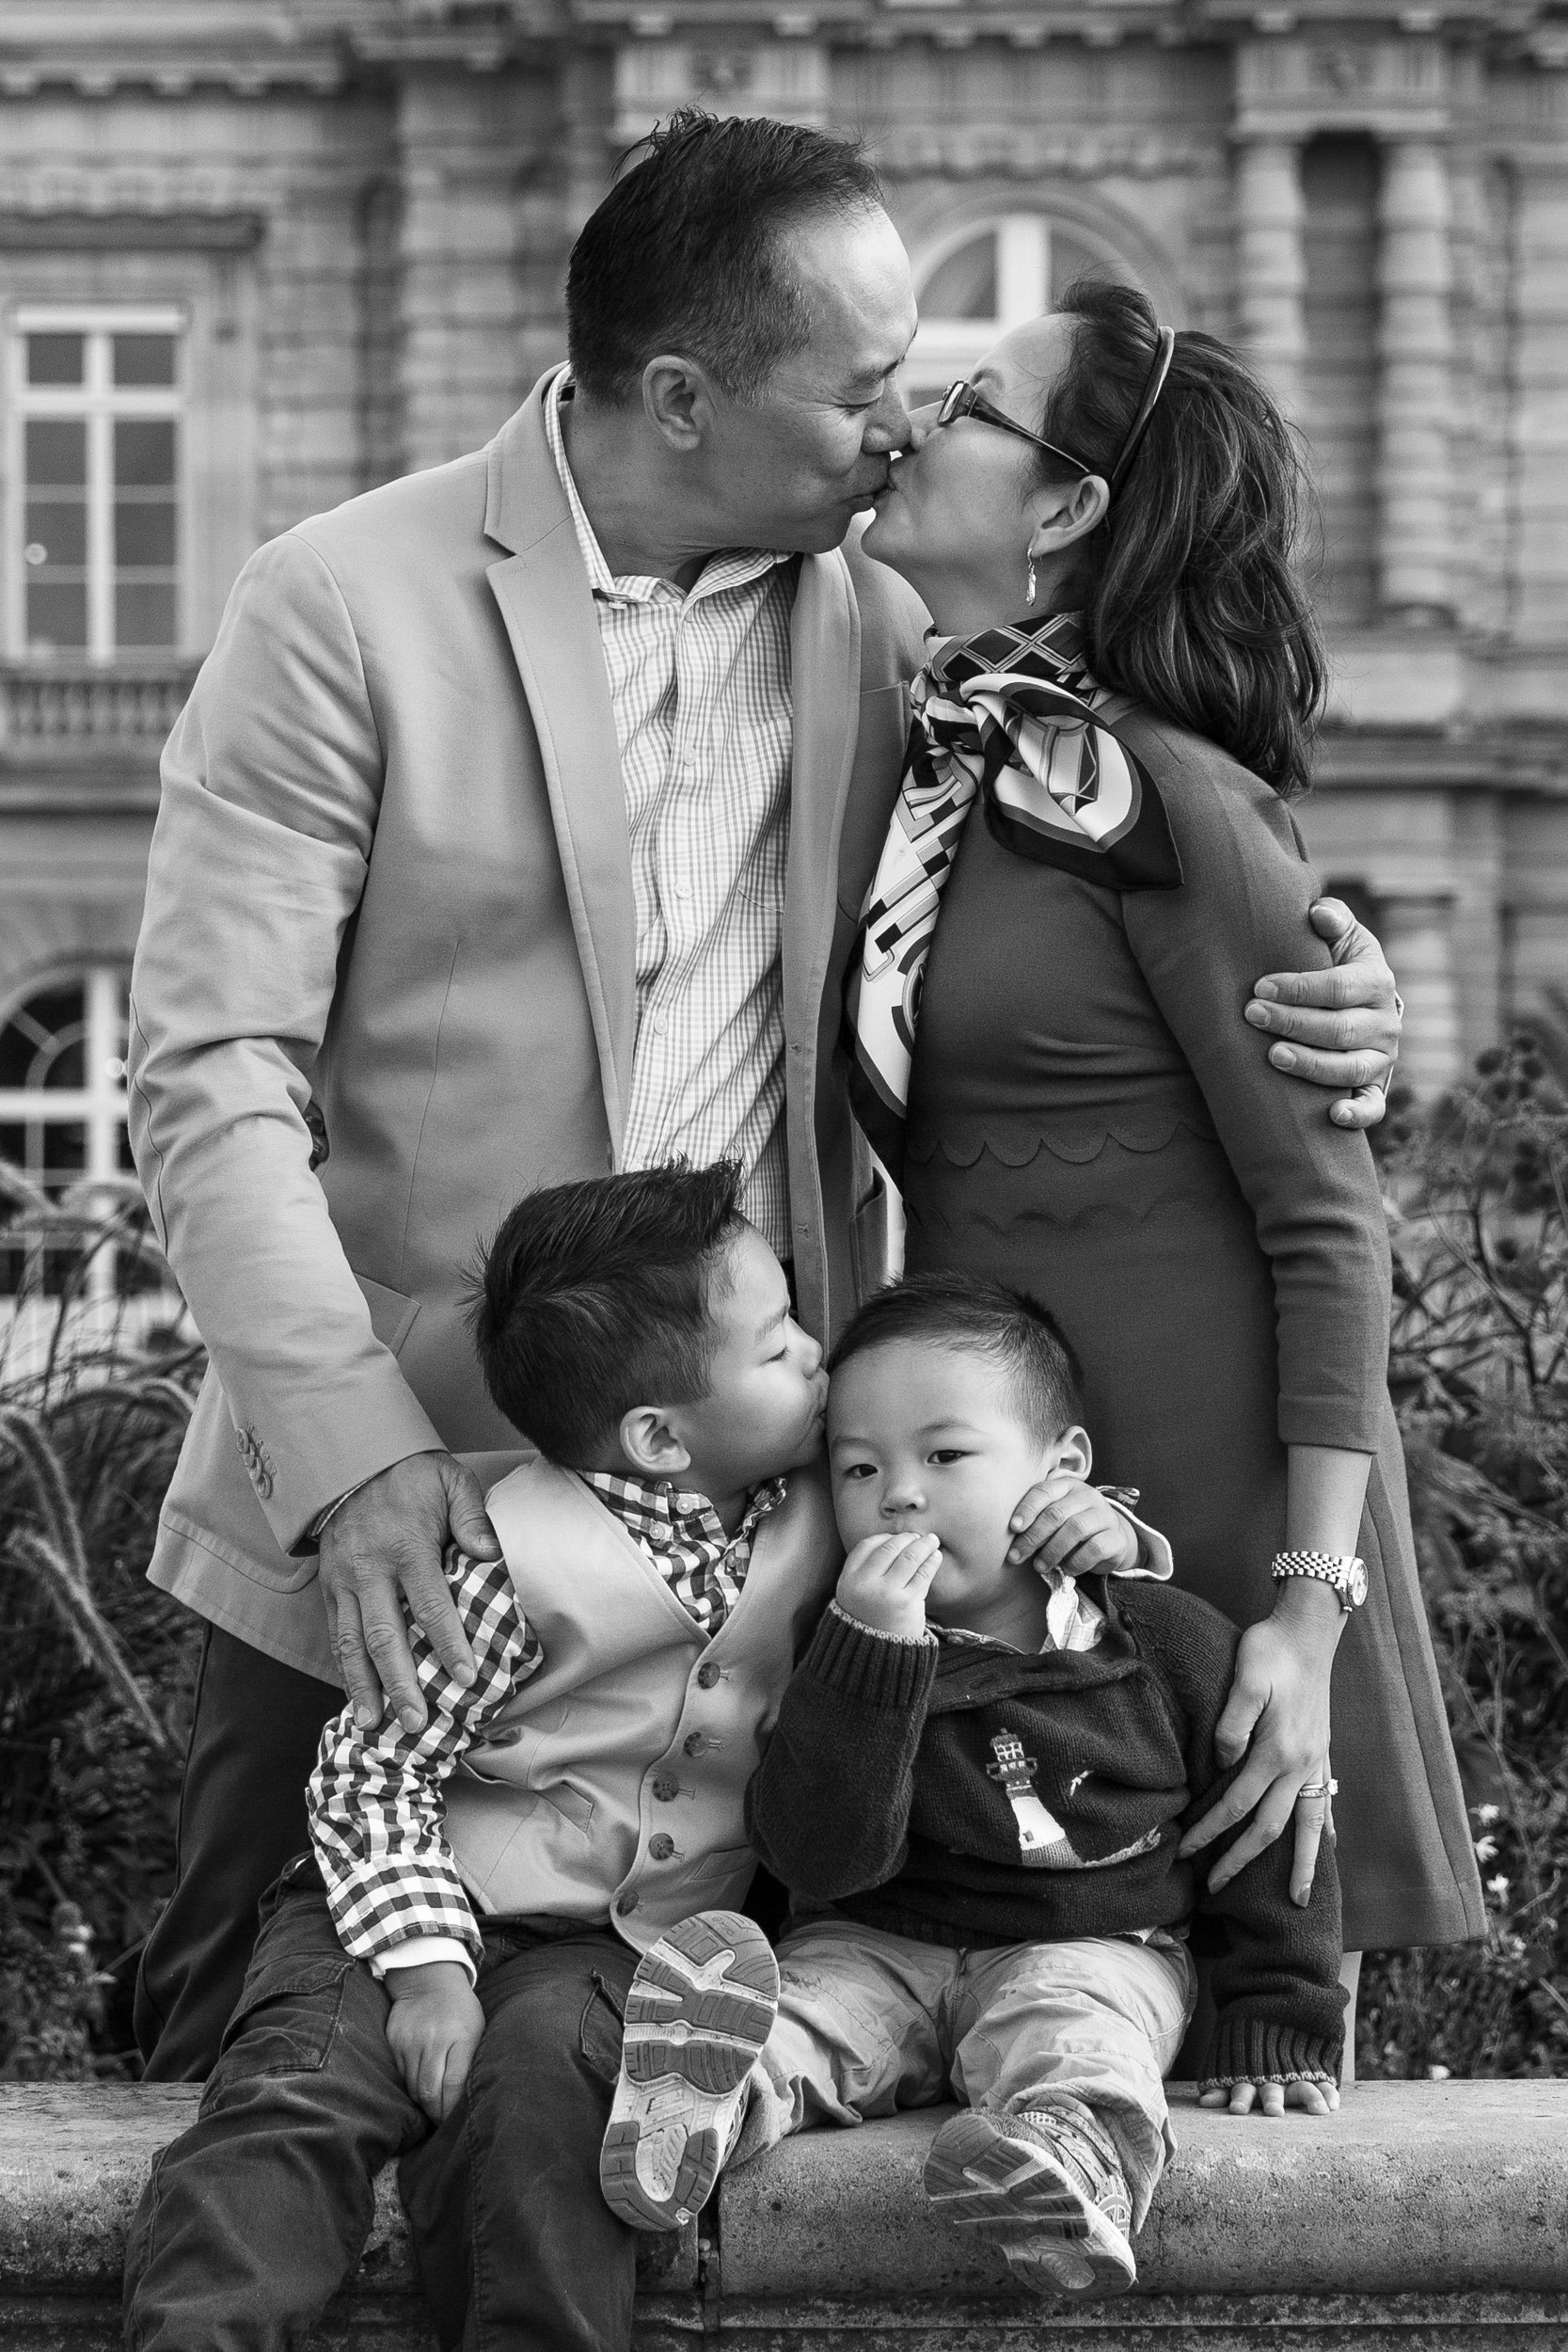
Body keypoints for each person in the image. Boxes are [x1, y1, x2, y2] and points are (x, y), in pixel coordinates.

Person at [126, 111, 1404, 2081]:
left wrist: (1334, 991)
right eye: (863, 391)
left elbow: (1150, 841)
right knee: (251, 2043)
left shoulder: (890, 629)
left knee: (673, 2089)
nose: (903, 436)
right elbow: (211, 1072)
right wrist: (350, 1447)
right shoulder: (340, 598)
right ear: (678, 394)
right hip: (387, 1483)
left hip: (760, 1508)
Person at [121, 1169, 1150, 2352]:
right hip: (394, 1909)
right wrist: (423, 1972)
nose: (817, 1358)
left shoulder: (840, 1501)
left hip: (616, 1944)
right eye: (777, 1348)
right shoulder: (502, 1557)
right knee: (289, 2103)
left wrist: (1100, 1527)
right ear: (660, 1435)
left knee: (551, 2133)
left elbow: (999, 1514)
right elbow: (371, 1774)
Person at [844, 279, 1482, 1985]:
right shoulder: (949, 764)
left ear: (1063, 508)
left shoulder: (1170, 794)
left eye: (970, 403)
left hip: (1214, 1526)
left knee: (1247, 2073)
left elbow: (1329, 1223)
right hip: (1016, 1500)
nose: (911, 418)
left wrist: (1301, 1611)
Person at [595, 1276, 1347, 2299]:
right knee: (808, 2012)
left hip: (1090, 1943)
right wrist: (869, 1661)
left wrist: (1277, 2016)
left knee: (1073, 2024)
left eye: (944, 1455)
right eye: (857, 1467)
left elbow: (1255, 1834)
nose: (897, 1493)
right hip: (877, 1941)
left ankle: (1064, 2155)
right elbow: (819, 1856)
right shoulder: (838, 1643)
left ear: (1061, 1470)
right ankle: (706, 2105)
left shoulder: (1160, 1640)